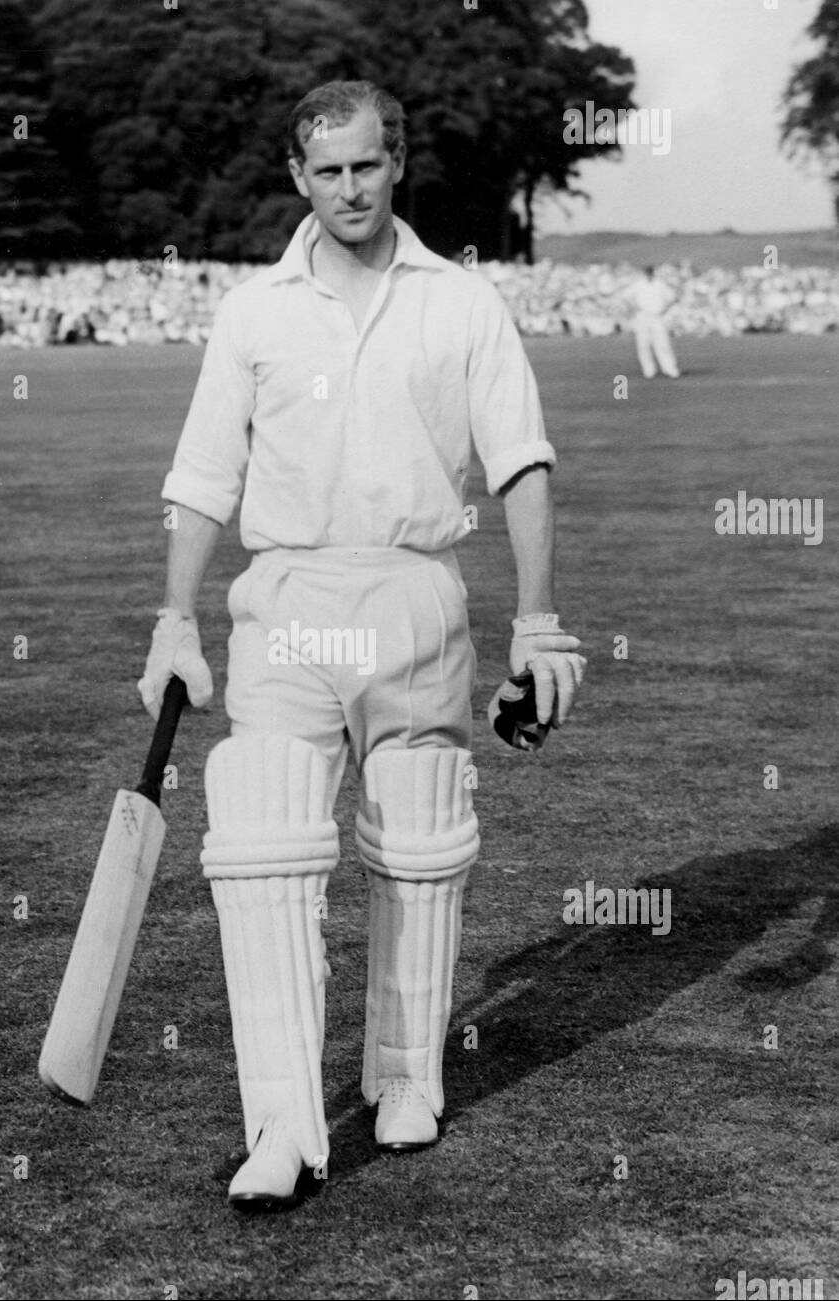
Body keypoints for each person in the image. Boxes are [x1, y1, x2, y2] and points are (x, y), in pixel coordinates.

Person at [138, 80, 586, 1211]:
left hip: (410, 587)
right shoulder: (252, 311)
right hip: (286, 591)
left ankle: (402, 1078)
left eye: (366, 165)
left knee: (419, 843)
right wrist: (174, 619)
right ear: (298, 177)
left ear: (397, 166)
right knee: (262, 846)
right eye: (326, 170)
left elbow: (520, 462)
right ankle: (282, 1126)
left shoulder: (462, 303)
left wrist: (535, 622)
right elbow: (201, 478)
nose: (348, 187)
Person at [631, 264, 681, 379]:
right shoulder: (638, 284)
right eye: (647, 272)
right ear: (644, 273)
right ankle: (649, 370)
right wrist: (636, 308)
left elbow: (673, 297)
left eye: (650, 272)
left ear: (653, 272)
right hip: (642, 317)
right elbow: (627, 297)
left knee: (663, 343)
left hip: (657, 317)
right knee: (643, 345)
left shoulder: (660, 284)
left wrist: (664, 309)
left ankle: (670, 369)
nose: (648, 274)